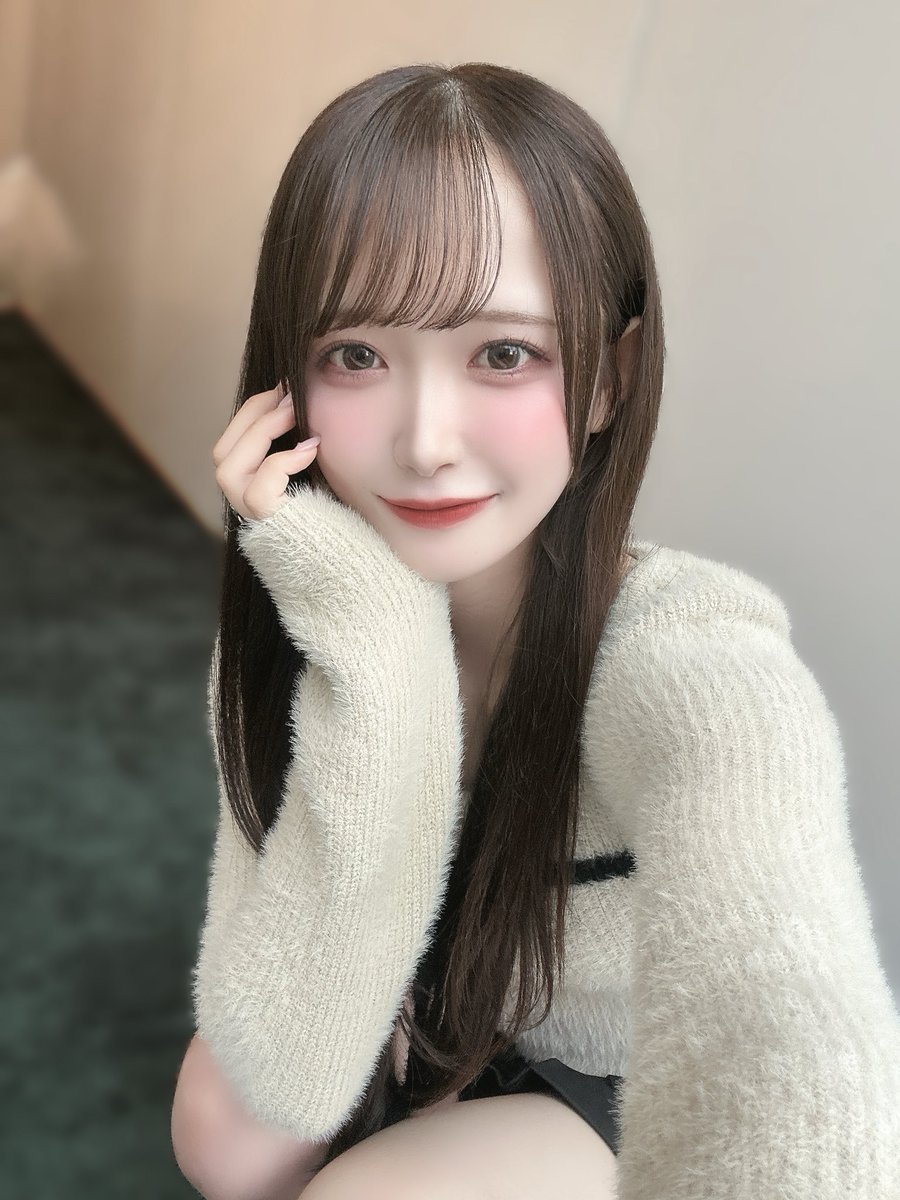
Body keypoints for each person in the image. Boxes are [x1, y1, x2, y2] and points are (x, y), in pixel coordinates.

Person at [171, 62, 900, 1200]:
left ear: (609, 378)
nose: (425, 442)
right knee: (226, 1142)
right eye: (356, 355)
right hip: (424, 1005)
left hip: (617, 1079)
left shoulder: (693, 658)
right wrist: (379, 652)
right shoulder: (308, 614)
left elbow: (786, 1036)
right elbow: (290, 1069)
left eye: (503, 354)